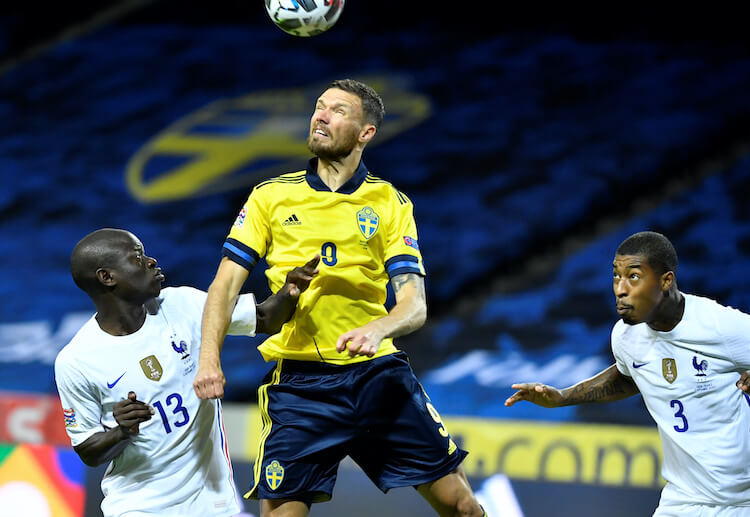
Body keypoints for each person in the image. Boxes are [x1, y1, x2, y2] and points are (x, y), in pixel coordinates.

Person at [193, 79, 485, 517]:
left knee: (461, 506)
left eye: (338, 111)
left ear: (366, 132)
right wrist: (209, 358)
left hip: (377, 376)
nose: (321, 116)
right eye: (318, 107)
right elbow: (224, 287)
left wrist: (377, 328)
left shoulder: (389, 203)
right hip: (300, 387)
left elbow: (414, 303)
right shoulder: (271, 196)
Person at [54, 228, 319, 517]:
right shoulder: (76, 360)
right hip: (139, 508)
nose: (152, 261)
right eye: (138, 257)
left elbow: (265, 318)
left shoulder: (182, 304)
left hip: (217, 505)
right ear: (107, 277)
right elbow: (88, 449)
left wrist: (291, 289)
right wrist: (121, 432)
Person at [505, 230, 750, 516]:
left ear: (665, 280)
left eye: (633, 276)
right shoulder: (625, 337)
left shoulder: (721, 326)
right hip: (683, 500)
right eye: (616, 276)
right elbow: (627, 376)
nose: (621, 288)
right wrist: (561, 397)